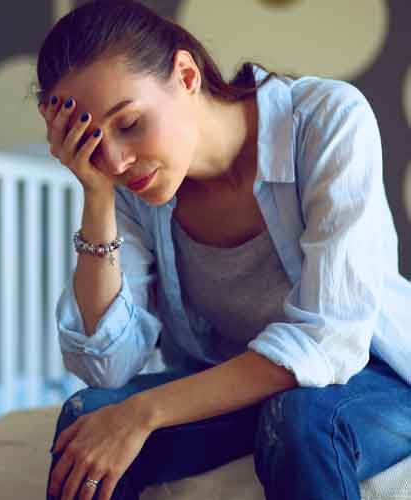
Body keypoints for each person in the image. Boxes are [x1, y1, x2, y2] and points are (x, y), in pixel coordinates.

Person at [34, 1, 411, 499]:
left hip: (371, 377)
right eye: (93, 144)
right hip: (240, 388)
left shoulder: (326, 119)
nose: (118, 160)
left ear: (186, 75)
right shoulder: (125, 186)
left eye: (128, 124)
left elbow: (330, 338)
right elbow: (107, 367)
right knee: (87, 417)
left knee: (300, 417)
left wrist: (145, 412)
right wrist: (97, 194)